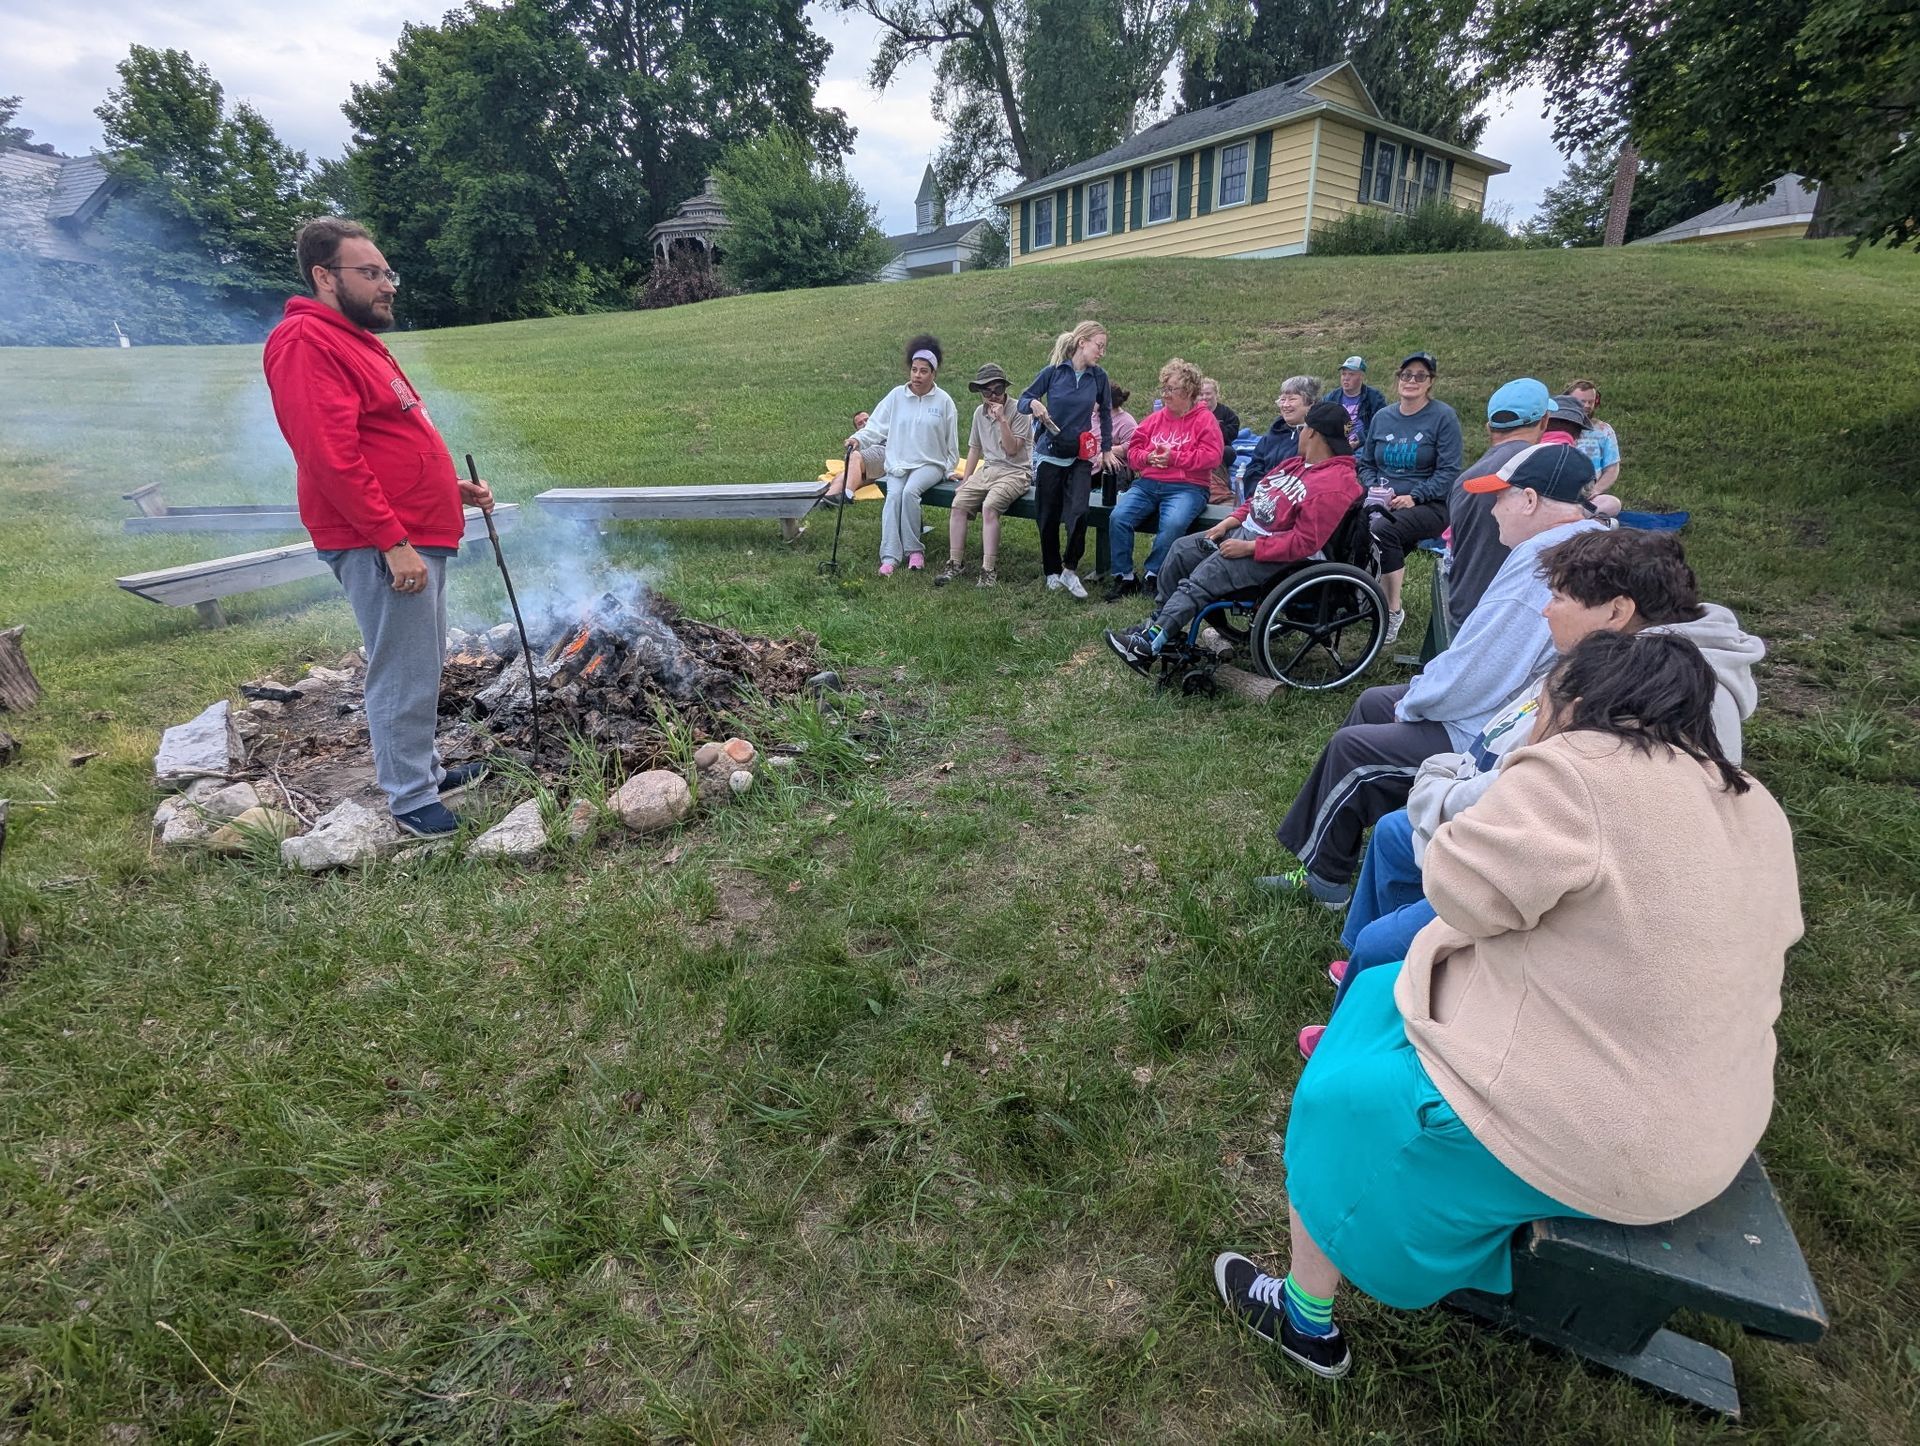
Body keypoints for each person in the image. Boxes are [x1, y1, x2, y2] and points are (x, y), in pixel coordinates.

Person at [1214, 628, 1802, 1380]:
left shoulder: (1577, 771)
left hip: (1603, 1142)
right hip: (1716, 1123)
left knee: (1344, 1097)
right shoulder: (1749, 799)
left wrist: (1522, 754)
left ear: (1577, 703)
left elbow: (1453, 884)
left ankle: (1305, 1315)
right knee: (1375, 996)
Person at [1305, 529, 1767, 1057]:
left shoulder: (1642, 692)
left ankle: (1363, 1035)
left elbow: (1534, 802)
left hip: (1580, 890)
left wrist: (1441, 785)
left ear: (1617, 610)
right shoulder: (1623, 656)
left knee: (1382, 941)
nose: (1546, 612)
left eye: (1560, 598)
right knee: (1392, 834)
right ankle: (1382, 985)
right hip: (1528, 823)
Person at [1266, 444, 1604, 904]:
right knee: (1371, 703)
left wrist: (1416, 703)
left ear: (1529, 501)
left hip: (1498, 731)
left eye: (1500, 497)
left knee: (1354, 751)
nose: (1492, 508)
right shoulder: (1577, 543)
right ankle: (1345, 845)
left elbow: (1482, 673)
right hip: (1507, 708)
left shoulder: (1544, 565)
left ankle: (1325, 880)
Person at [263, 218, 495, 841]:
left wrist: (451, 491)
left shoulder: (356, 340)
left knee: (422, 661)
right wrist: (392, 542)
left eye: (387, 272)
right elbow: (329, 455)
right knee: (401, 668)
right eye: (370, 273)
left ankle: (424, 770)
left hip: (411, 529)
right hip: (379, 540)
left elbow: (386, 442)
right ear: (323, 276)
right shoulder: (308, 341)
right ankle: (411, 798)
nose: (387, 284)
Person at [1105, 399, 1362, 671]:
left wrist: (1249, 548)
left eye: (1303, 429)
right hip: (1245, 532)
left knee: (1205, 575)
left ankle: (1149, 645)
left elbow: (1305, 543)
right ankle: (1161, 626)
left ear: (1312, 433)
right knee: (1181, 550)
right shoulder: (1296, 465)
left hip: (1276, 557)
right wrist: (1228, 522)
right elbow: (1257, 498)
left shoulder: (1334, 485)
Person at [1357, 351, 1463, 644]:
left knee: (1382, 529)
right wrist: (1373, 488)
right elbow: (1366, 463)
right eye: (1406, 375)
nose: (1412, 381)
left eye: (1420, 376)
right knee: (1345, 521)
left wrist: (1415, 496)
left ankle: (1392, 611)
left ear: (1431, 382)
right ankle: (1357, 591)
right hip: (1381, 498)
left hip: (1430, 504)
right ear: (1398, 379)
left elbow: (1449, 471)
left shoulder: (1443, 417)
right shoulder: (1382, 417)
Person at [1104, 358, 1223, 600]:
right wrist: (1148, 458)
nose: (1165, 395)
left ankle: (1154, 575)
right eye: (1164, 389)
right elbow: (1133, 454)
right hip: (1148, 484)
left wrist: (1174, 458)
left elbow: (1212, 456)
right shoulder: (1154, 420)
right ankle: (1124, 577)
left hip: (1188, 487)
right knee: (1119, 516)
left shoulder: (1205, 420)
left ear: (1189, 391)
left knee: (1173, 523)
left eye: (1171, 389)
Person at [847, 334, 959, 576]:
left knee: (910, 493)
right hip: (899, 462)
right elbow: (875, 426)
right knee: (893, 496)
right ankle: (889, 556)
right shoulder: (897, 395)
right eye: (914, 370)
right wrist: (858, 439)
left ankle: (914, 550)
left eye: (924, 371)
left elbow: (952, 441)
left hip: (930, 464)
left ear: (933, 374)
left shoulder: (944, 402)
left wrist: (950, 469)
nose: (917, 375)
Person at [1446, 377, 1550, 630]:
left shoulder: (1464, 479)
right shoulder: (1544, 468)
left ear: (1488, 427)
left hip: (1462, 604)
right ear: (1545, 421)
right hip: (1503, 617)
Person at [1019, 322, 1113, 598]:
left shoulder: (1099, 377)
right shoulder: (1052, 373)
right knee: (1047, 516)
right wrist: (1034, 404)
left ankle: (1070, 570)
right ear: (1082, 342)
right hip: (1049, 453)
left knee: (1079, 512)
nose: (1102, 352)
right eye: (1099, 345)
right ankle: (1051, 571)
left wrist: (1106, 449)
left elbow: (1106, 412)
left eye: (1104, 347)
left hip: (1079, 456)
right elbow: (1024, 399)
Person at [936, 363, 1033, 589]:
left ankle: (988, 569)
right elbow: (974, 448)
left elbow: (1012, 450)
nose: (992, 396)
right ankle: (955, 563)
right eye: (986, 391)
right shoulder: (979, 413)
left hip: (1016, 472)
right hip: (988, 469)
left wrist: (1002, 421)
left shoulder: (1020, 410)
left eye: (997, 390)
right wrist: (967, 478)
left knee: (990, 507)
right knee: (958, 503)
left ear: (1005, 389)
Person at [1240, 375, 1320, 497]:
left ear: (1310, 403)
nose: (1285, 405)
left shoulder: (1316, 437)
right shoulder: (1273, 433)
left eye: (1292, 399)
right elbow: (1255, 467)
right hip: (1261, 499)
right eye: (1282, 399)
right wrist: (1257, 493)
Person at [1565, 378, 1621, 494]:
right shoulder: (1553, 427)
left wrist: (1595, 491)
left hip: (1590, 494)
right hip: (1559, 491)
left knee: (1612, 504)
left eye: (1591, 402)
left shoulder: (1604, 430)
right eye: (1582, 401)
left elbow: (1612, 468)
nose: (1587, 406)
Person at [1092, 385, 1137, 507]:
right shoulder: (1094, 416)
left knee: (1110, 464)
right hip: (1088, 465)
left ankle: (1111, 503)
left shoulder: (1126, 422)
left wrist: (1108, 451)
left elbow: (1132, 447)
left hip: (1110, 470)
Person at [1199, 377, 1241, 505]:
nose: (1204, 397)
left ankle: (1219, 487)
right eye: (1201, 394)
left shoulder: (1227, 414)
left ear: (1216, 394)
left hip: (1221, 449)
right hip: (1198, 449)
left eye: (1208, 393)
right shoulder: (1192, 412)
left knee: (1227, 452)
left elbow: (1231, 436)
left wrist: (1215, 425)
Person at [1334, 356, 1387, 450]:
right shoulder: (1331, 398)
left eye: (1351, 374)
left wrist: (1360, 439)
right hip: (1336, 443)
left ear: (1362, 376)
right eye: (1343, 374)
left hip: (1363, 444)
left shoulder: (1374, 397)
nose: (1346, 378)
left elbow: (1382, 425)